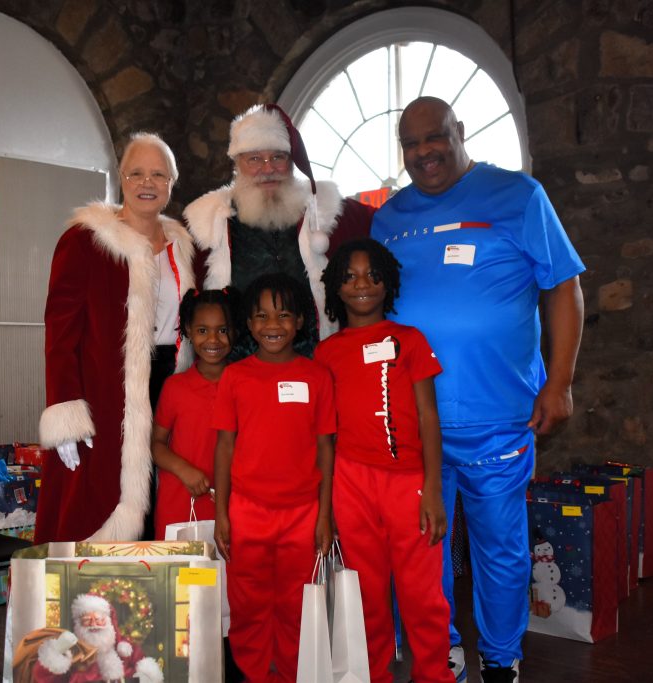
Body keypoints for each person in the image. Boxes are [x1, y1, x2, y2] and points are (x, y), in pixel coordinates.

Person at [372, 96, 585, 682]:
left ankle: (500, 658)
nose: (424, 153)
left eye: (434, 138)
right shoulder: (387, 219)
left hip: (500, 418)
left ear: (459, 133)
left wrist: (560, 383)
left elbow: (564, 288)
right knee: (423, 550)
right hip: (416, 421)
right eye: (410, 145)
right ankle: (439, 651)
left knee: (502, 547)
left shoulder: (519, 196)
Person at [36, 132, 195, 544]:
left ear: (171, 184)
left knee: (166, 503)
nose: (147, 183)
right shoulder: (86, 241)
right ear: (121, 177)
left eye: (158, 175)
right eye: (137, 173)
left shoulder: (185, 247)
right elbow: (60, 332)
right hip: (107, 394)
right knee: (102, 502)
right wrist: (65, 408)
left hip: (171, 387)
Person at [315, 239, 451, 683]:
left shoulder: (409, 341)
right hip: (350, 485)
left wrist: (432, 488)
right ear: (336, 286)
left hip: (408, 482)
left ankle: (434, 674)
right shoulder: (326, 353)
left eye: (373, 276)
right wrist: (329, 503)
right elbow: (325, 435)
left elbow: (430, 417)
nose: (361, 285)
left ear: (387, 283)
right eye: (350, 276)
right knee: (368, 594)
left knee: (421, 594)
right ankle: (375, 674)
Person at [212, 272, 335, 683]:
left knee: (295, 603)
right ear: (249, 324)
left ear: (300, 321)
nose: (272, 325)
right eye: (262, 316)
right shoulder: (236, 376)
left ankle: (287, 673)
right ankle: (253, 673)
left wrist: (324, 515)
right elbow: (225, 447)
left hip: (303, 513)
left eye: (283, 315)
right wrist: (222, 513)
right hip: (247, 511)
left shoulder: (317, 377)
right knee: (247, 602)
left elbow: (325, 448)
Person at [184, 103, 375, 357]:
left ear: (291, 161)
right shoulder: (206, 225)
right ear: (237, 163)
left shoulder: (327, 212)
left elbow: (389, 220)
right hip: (239, 370)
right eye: (254, 159)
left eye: (277, 157)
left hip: (317, 363)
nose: (267, 168)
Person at [151, 287, 238, 538]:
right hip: (179, 504)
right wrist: (183, 469)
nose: (213, 340)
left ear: (235, 330)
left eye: (222, 330)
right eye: (202, 331)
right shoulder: (175, 387)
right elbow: (156, 444)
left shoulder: (245, 384)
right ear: (188, 329)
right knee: (180, 575)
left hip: (232, 506)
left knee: (225, 576)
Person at [18, 593, 163, 683]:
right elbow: (44, 678)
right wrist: (56, 652)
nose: (93, 624)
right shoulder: (73, 651)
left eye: (99, 619)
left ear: (109, 622)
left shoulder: (126, 650)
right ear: (78, 625)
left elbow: (148, 674)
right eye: (87, 620)